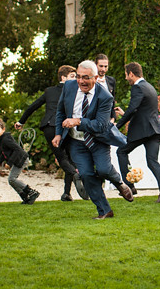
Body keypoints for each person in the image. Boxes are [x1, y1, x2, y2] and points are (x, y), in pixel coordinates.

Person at [54, 60, 133, 220]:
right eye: (78, 77)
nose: (81, 81)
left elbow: (101, 125)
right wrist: (58, 133)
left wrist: (78, 121)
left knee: (104, 169)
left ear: (96, 77)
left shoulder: (105, 96)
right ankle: (104, 210)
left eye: (86, 77)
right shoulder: (69, 87)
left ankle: (118, 182)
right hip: (76, 141)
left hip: (98, 140)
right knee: (86, 174)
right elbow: (60, 111)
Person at [15, 65, 86, 201]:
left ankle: (67, 193)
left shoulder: (49, 91)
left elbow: (33, 107)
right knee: (67, 159)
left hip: (49, 126)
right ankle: (76, 176)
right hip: (63, 127)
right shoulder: (74, 92)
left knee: (64, 159)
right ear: (63, 77)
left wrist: (21, 121)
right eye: (72, 76)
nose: (76, 79)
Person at [115, 62, 160, 203]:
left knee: (121, 152)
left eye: (126, 75)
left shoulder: (137, 87)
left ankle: (129, 186)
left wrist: (117, 125)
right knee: (152, 161)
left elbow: (133, 109)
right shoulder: (149, 86)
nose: (126, 78)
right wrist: (126, 114)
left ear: (131, 74)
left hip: (143, 131)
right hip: (155, 130)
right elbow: (143, 110)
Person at [0, 118, 39, 205]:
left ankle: (31, 192)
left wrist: (9, 163)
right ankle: (25, 197)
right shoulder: (0, 140)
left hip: (21, 159)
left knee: (12, 179)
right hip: (17, 159)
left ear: (3, 129)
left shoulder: (5, 139)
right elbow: (3, 154)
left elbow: (17, 149)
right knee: (11, 180)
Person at [95, 53, 117, 118]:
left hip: (107, 118)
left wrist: (113, 117)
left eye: (105, 66)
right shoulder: (90, 80)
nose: (103, 69)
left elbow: (113, 100)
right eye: (101, 66)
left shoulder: (111, 80)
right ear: (95, 65)